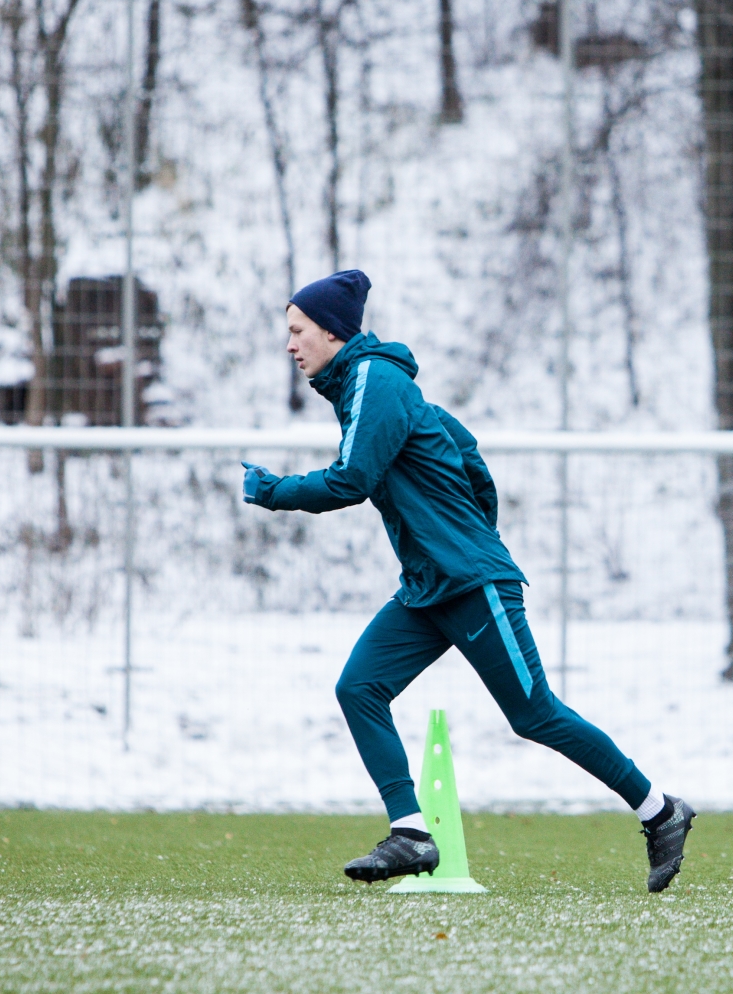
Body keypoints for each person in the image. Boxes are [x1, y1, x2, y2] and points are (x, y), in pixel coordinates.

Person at [241, 269, 694, 893]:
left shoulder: (374, 380)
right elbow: (469, 454)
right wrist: (455, 537)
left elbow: (351, 479)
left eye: (298, 331)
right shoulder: (371, 387)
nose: (290, 344)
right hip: (429, 585)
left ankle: (661, 811)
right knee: (360, 688)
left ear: (332, 331)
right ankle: (411, 833)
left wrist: (273, 491)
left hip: (471, 583)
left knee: (536, 715)